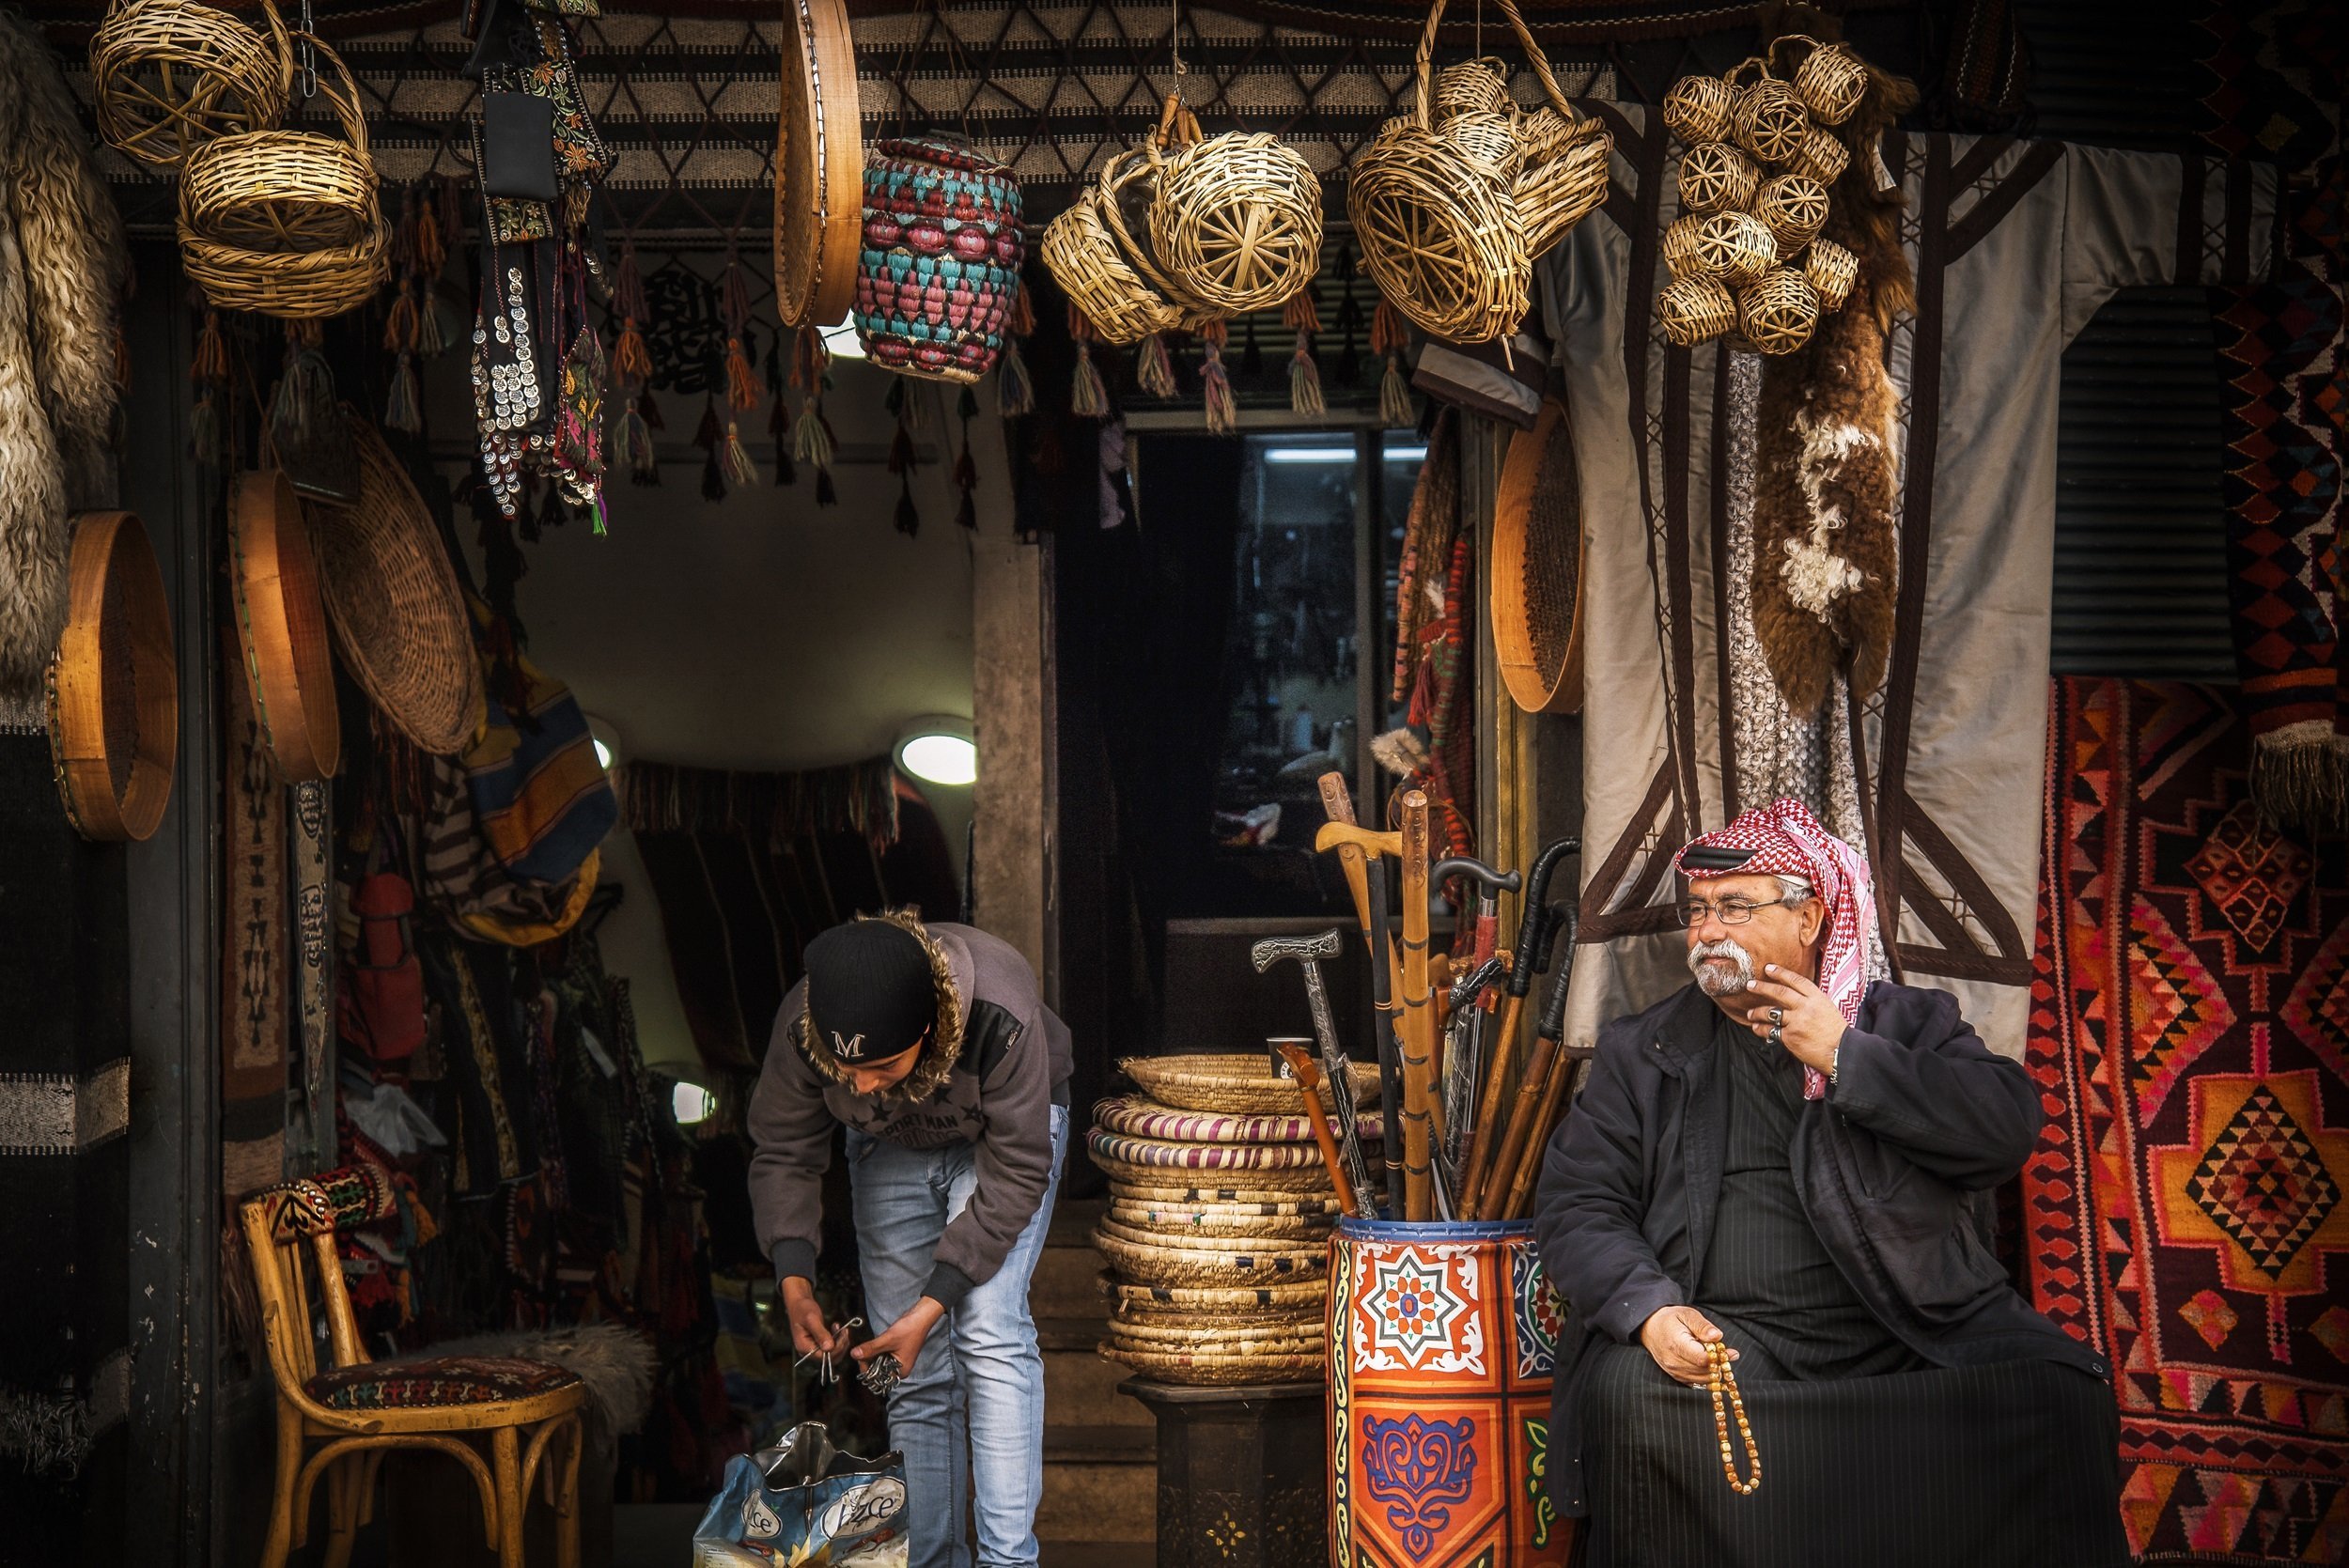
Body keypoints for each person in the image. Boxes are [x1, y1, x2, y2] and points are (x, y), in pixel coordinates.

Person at [1532, 799, 2126, 1568]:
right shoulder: (1644, 1050)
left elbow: (2006, 1129)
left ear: (1810, 919)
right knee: (1632, 1395)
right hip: (1735, 1345)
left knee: (2060, 1391)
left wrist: (1849, 1057)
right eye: (1699, 910)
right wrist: (1647, 1308)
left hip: (1907, 1336)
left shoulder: (1904, 1025)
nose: (1707, 931)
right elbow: (1579, 1201)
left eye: (1735, 907)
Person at [748, 909, 1072, 1568]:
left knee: (987, 1330)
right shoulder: (802, 1023)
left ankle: (1008, 1561)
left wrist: (934, 1306)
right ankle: (932, 1559)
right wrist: (795, 1278)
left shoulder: (1000, 1006)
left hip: (1001, 1139)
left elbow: (1016, 1172)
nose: (860, 1082)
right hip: (886, 1139)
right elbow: (784, 1146)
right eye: (847, 1068)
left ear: (929, 1028)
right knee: (910, 1370)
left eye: (881, 1064)